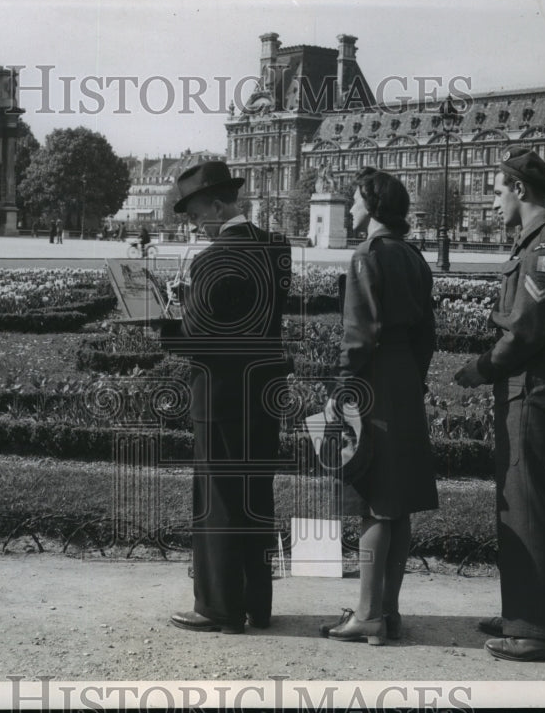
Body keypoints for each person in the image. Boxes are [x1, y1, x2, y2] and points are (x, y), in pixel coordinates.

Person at [454, 147, 545, 662]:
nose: (493, 203)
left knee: (530, 501)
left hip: (532, 384)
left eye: (497, 191)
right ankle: (522, 611)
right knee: (522, 498)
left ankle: (537, 628)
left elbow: (526, 331)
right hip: (533, 383)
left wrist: (480, 368)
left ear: (519, 189)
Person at [160, 160, 291, 634]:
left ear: (217, 205)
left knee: (217, 500)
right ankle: (257, 602)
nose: (195, 225)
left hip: (220, 395)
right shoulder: (277, 247)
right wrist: (195, 297)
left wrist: (167, 317)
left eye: (196, 216)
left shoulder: (211, 260)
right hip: (265, 390)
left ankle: (218, 607)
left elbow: (197, 339)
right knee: (256, 496)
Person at [319, 168, 438, 646]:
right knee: (399, 504)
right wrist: (410, 377)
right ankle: (387, 611)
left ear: (371, 204)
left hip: (372, 383)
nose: (349, 209)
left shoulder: (367, 255)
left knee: (372, 502)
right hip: (405, 380)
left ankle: (367, 615)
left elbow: (359, 333)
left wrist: (344, 389)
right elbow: (428, 334)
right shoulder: (413, 256)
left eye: (354, 200)